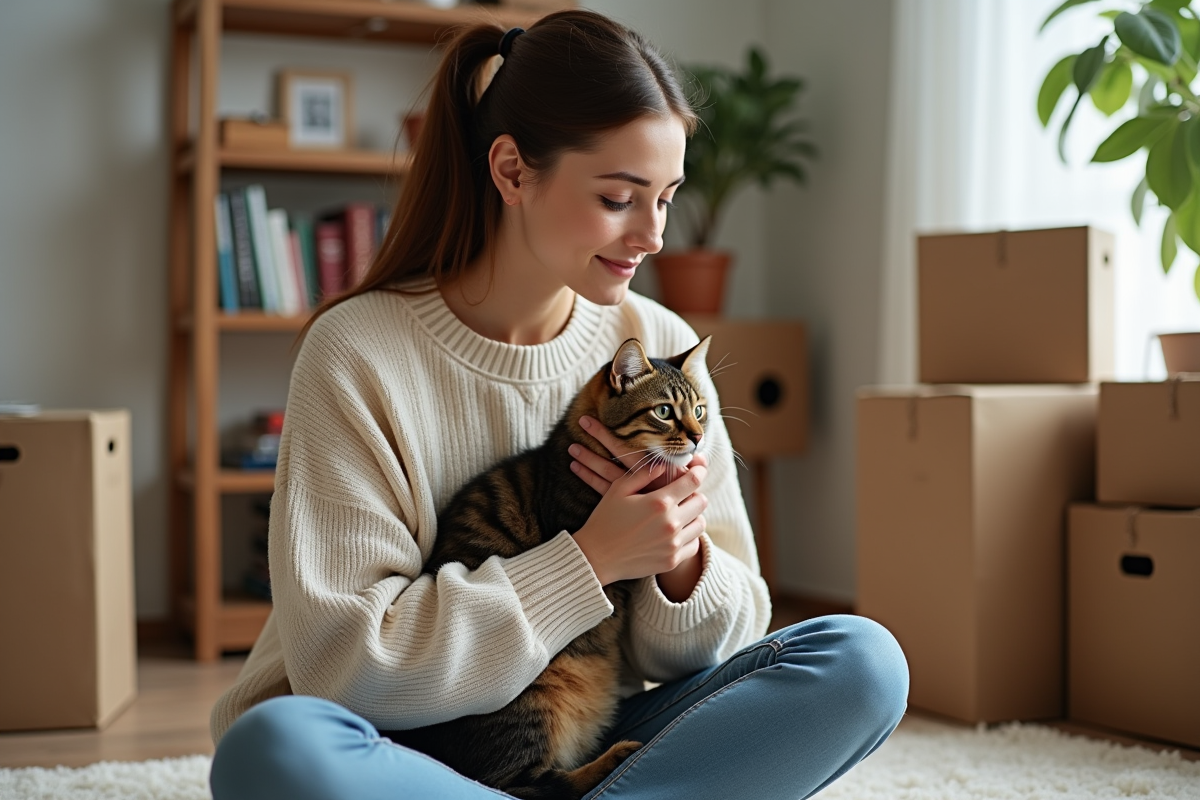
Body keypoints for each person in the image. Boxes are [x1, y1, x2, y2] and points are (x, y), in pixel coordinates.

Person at [208, 10, 908, 800]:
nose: (653, 236)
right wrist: (590, 561)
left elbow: (723, 640)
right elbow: (348, 668)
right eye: (619, 197)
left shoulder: (659, 344)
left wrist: (677, 558)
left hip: (585, 724)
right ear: (510, 171)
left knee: (862, 661)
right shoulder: (357, 351)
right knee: (272, 748)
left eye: (668, 198)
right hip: (393, 740)